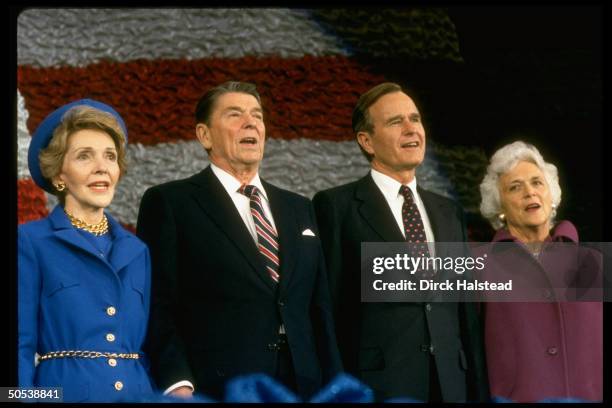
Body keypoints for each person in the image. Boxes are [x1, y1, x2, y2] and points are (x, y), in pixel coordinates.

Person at [136, 81, 342, 400]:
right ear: (204, 135)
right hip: (220, 384)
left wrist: (335, 383)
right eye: (235, 114)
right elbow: (157, 304)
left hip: (305, 383)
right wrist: (177, 382)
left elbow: (320, 307)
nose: (251, 123)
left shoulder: (300, 207)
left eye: (257, 116)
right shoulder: (171, 202)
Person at [312, 82, 489, 402]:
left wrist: (477, 390)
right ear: (366, 140)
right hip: (379, 385)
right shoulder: (336, 207)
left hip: (452, 384)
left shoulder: (449, 212)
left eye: (415, 119)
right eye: (396, 122)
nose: (411, 129)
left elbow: (465, 313)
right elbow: (327, 309)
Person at [18, 99, 155, 402]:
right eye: (84, 156)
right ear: (58, 175)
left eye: (110, 156)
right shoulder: (29, 241)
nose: (101, 168)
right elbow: (19, 346)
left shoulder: (137, 250)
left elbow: (146, 351)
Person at [478, 140, 602, 402]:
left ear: (552, 195)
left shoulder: (592, 261)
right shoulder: (480, 266)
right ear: (499, 206)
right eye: (515, 187)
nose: (529, 192)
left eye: (537, 182)